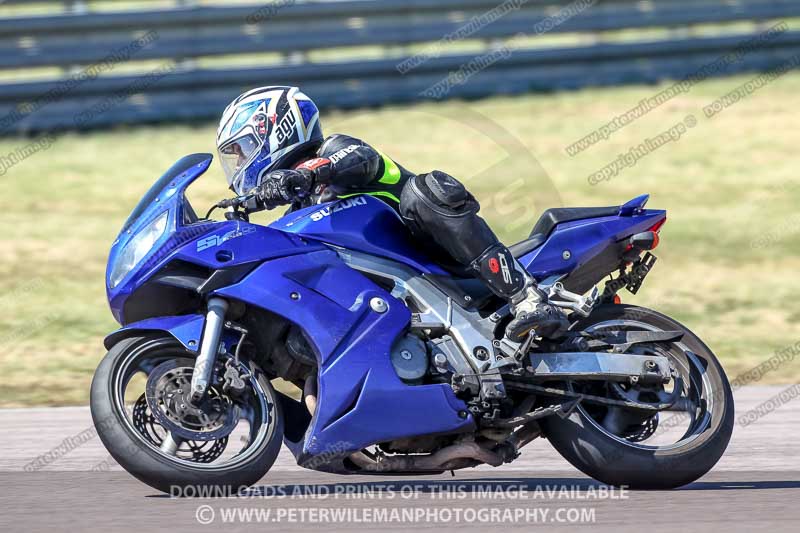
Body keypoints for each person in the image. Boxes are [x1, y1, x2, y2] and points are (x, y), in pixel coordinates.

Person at [216, 86, 567, 341]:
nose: (240, 165)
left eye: (242, 151)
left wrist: (306, 173)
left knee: (426, 191)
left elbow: (356, 158)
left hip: (439, 256)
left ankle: (526, 297)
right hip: (394, 303)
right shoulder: (300, 214)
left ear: (274, 130)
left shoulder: (337, 151)